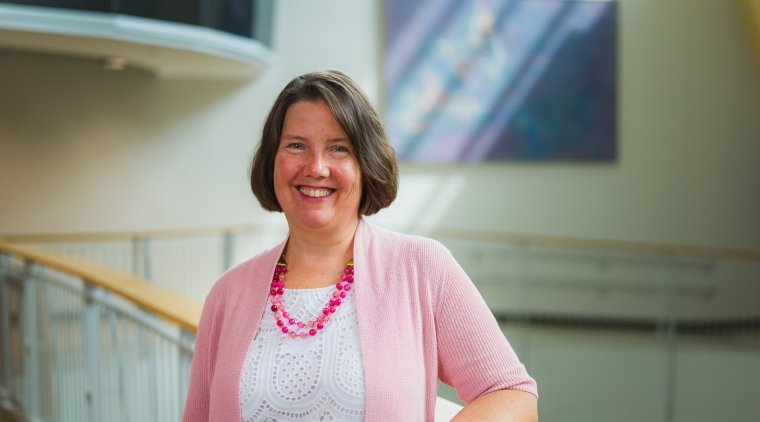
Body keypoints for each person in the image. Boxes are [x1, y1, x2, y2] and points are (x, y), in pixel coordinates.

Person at [182, 70, 538, 421]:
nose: (317, 167)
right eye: (296, 146)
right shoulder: (227, 295)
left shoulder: (422, 267)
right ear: (272, 161)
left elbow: (513, 396)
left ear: (365, 164)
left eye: (339, 149)